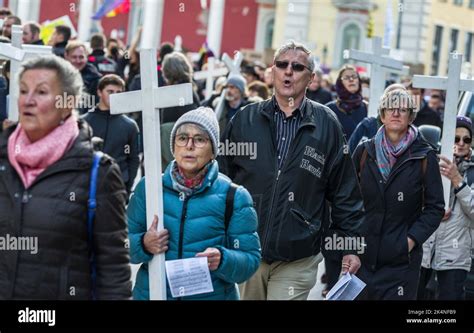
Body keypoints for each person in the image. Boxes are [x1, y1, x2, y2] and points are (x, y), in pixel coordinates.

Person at [220, 41, 364, 300]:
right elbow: (221, 181)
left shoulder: (326, 125)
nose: (289, 71)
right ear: (272, 71)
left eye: (297, 67)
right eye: (282, 65)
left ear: (310, 78)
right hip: (246, 248)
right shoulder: (245, 119)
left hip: (298, 255)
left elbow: (345, 191)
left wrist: (351, 247)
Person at [0, 55, 131, 299]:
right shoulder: (3, 160)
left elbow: (113, 269)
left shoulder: (97, 172)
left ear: (67, 102)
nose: (28, 101)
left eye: (41, 92)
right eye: (23, 91)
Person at [128, 107, 261, 300]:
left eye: (200, 139)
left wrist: (222, 259)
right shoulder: (148, 188)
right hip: (153, 295)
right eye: (182, 138)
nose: (189, 145)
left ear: (213, 150)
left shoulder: (234, 196)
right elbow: (120, 245)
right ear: (173, 146)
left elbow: (250, 260)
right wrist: (143, 243)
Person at [352, 84, 445, 300]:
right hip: (361, 259)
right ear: (382, 115)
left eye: (402, 109)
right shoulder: (364, 151)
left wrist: (410, 241)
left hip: (401, 266)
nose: (395, 113)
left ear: (411, 117)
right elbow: (345, 199)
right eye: (390, 108)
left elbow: (435, 207)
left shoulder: (424, 156)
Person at [420, 116, 474, 300]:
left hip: (455, 252)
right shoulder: (429, 161)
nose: (460, 143)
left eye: (466, 139)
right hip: (423, 246)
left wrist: (457, 180)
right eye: (455, 138)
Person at [82, 74, 140, 195]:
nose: (114, 96)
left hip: (118, 187)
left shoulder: (129, 125)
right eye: (110, 91)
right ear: (99, 92)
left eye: (118, 92)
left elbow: (133, 159)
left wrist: (127, 188)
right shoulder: (84, 122)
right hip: (89, 186)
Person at [326, 65, 368, 139]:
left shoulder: (367, 107)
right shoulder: (329, 109)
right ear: (340, 83)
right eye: (346, 78)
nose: (351, 79)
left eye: (354, 77)